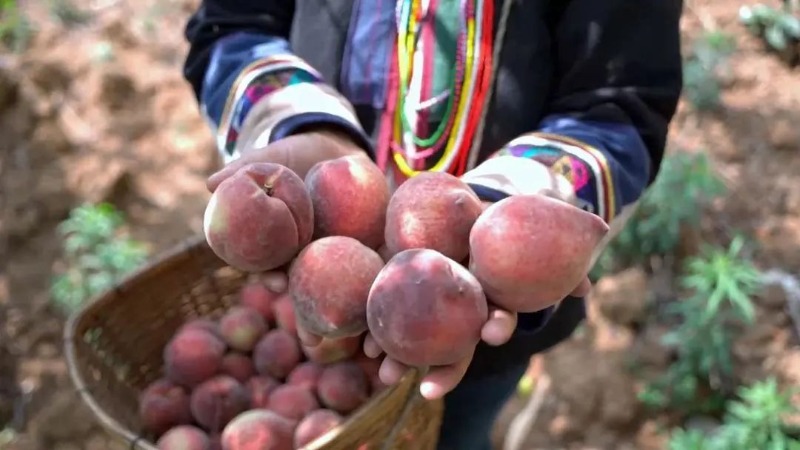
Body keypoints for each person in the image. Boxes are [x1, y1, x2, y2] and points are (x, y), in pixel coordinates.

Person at [182, 1, 683, 449]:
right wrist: (298, 119)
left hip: (483, 325)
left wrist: (511, 207)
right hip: (316, 298)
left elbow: (620, 105)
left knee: (460, 428)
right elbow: (232, 25)